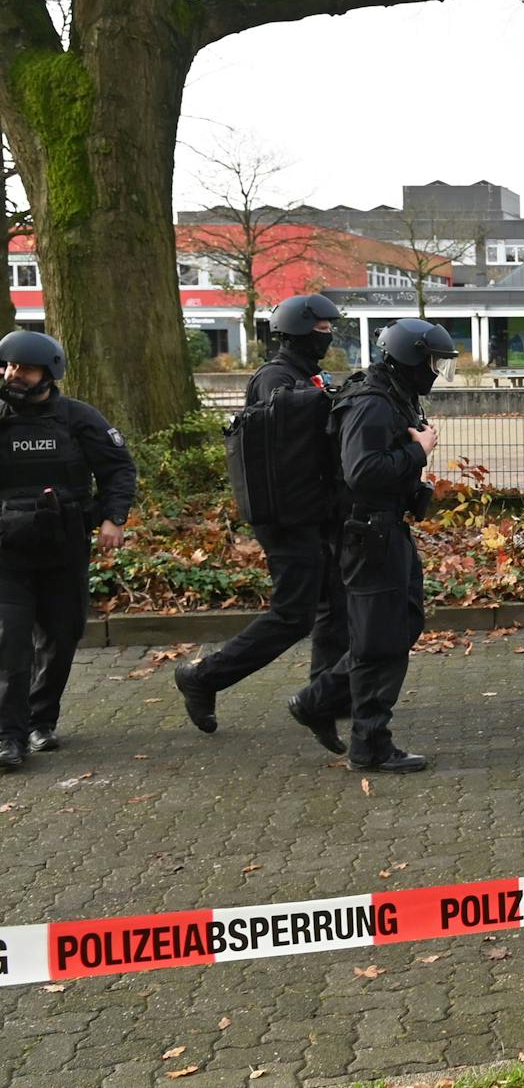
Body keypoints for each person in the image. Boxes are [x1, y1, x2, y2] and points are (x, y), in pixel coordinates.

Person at [174, 294, 348, 736]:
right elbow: (285, 412)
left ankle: (325, 696)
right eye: (322, 329)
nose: (328, 335)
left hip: (311, 508)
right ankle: (203, 677)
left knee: (335, 605)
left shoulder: (303, 373)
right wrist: (332, 397)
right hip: (285, 515)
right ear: (298, 332)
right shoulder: (275, 376)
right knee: (294, 614)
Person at [290, 318, 454, 773]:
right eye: (432, 362)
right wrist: (419, 451)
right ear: (410, 358)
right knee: (378, 643)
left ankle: (318, 700)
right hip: (367, 534)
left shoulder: (393, 395)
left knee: (402, 625)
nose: (436, 372)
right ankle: (369, 744)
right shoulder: (372, 403)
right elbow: (362, 472)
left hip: (386, 531)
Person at [0, 331, 136, 768]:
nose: (13, 374)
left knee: (62, 636)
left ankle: (40, 721)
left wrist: (114, 518)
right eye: (9, 366)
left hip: (64, 548)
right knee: (10, 643)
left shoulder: (77, 418)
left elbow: (118, 468)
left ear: (49, 373)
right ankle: (8, 736)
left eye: (25, 368)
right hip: (7, 552)